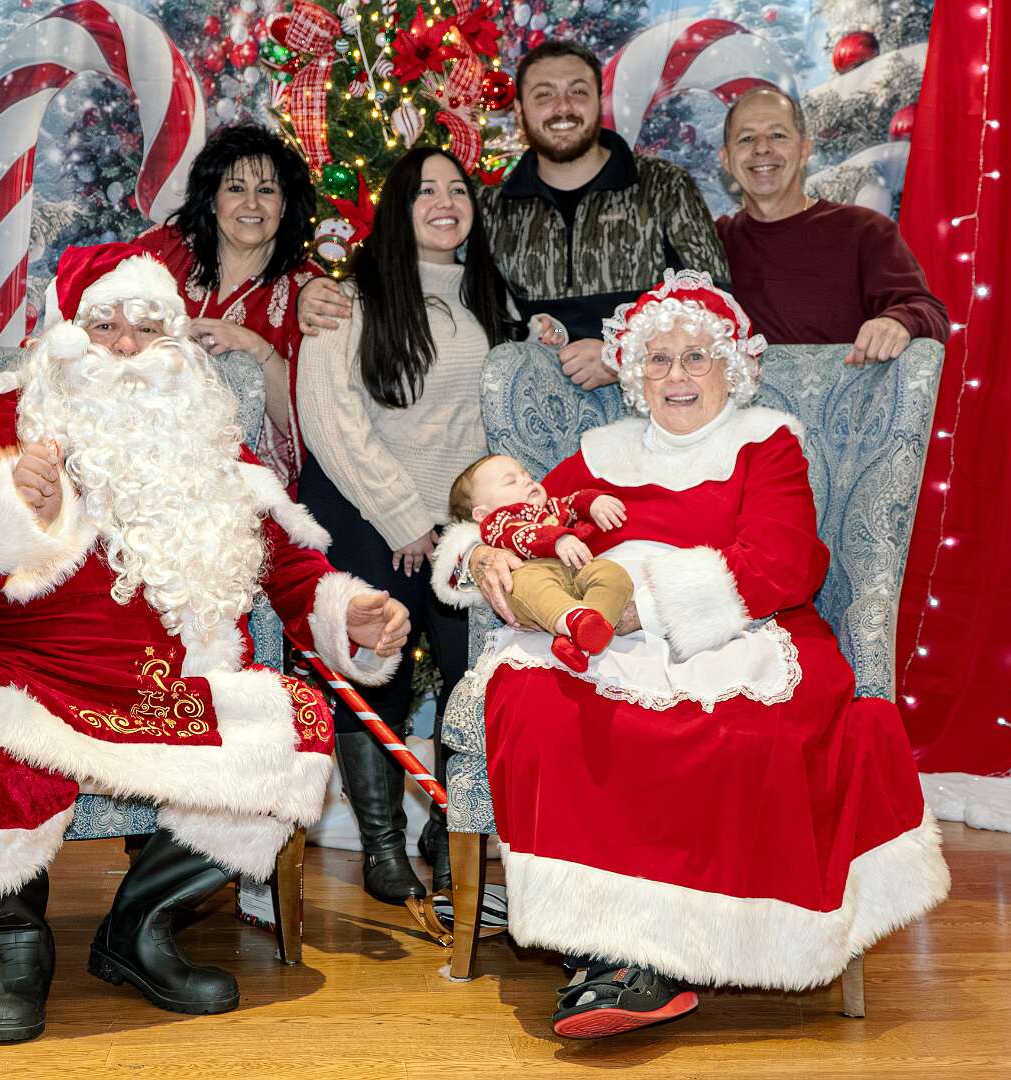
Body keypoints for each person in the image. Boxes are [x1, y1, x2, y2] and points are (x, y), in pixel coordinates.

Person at [0, 242, 410, 1043]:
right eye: (105, 325)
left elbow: (288, 566)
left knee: (290, 728)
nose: (125, 345)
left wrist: (347, 611)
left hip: (174, 682)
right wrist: (7, 512)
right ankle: (17, 951)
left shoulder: (210, 439)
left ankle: (140, 929)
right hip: (33, 674)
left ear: (174, 342)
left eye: (147, 327)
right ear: (64, 335)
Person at [433, 269, 949, 1039]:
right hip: (596, 626)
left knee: (734, 726)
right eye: (658, 358)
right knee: (536, 703)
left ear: (728, 367)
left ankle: (648, 956)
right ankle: (607, 946)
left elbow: (780, 562)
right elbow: (515, 516)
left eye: (695, 357)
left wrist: (648, 609)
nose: (676, 374)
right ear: (635, 373)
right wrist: (478, 556)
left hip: (732, 625)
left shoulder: (766, 442)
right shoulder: (598, 451)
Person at [296, 147, 508, 902]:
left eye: (458, 190)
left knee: (467, 678)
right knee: (375, 669)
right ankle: (381, 845)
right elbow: (329, 419)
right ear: (397, 209)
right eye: (425, 191)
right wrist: (401, 516)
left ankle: (452, 835)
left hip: (457, 528)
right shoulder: (347, 301)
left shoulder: (489, 299)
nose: (445, 202)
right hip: (367, 510)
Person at [298, 41, 729, 393]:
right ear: (520, 112)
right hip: (532, 421)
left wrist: (625, 354)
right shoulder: (488, 207)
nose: (563, 106)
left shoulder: (663, 185)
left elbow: (717, 307)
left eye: (578, 91)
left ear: (599, 102)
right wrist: (319, 290)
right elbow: (414, 267)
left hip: (654, 407)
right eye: (544, 95)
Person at [136, 123, 322, 491]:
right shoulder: (161, 251)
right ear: (211, 199)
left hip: (245, 488)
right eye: (236, 188)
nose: (251, 204)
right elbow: (98, 323)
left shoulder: (308, 290)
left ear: (284, 205)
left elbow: (310, 428)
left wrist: (255, 347)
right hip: (142, 458)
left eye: (266, 190)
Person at [717, 87, 949, 364]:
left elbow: (929, 311)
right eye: (746, 138)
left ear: (804, 151)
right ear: (726, 159)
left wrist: (896, 321)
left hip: (848, 392)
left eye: (778, 135)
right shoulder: (712, 244)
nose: (762, 148)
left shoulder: (866, 230)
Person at [441, 453, 632, 672]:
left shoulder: (551, 508)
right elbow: (517, 534)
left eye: (526, 474)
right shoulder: (496, 522)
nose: (527, 480)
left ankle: (585, 633)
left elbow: (572, 502)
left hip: (574, 572)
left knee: (613, 574)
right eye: (511, 481)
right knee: (522, 583)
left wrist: (592, 502)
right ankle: (573, 621)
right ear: (482, 513)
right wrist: (556, 539)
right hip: (531, 574)